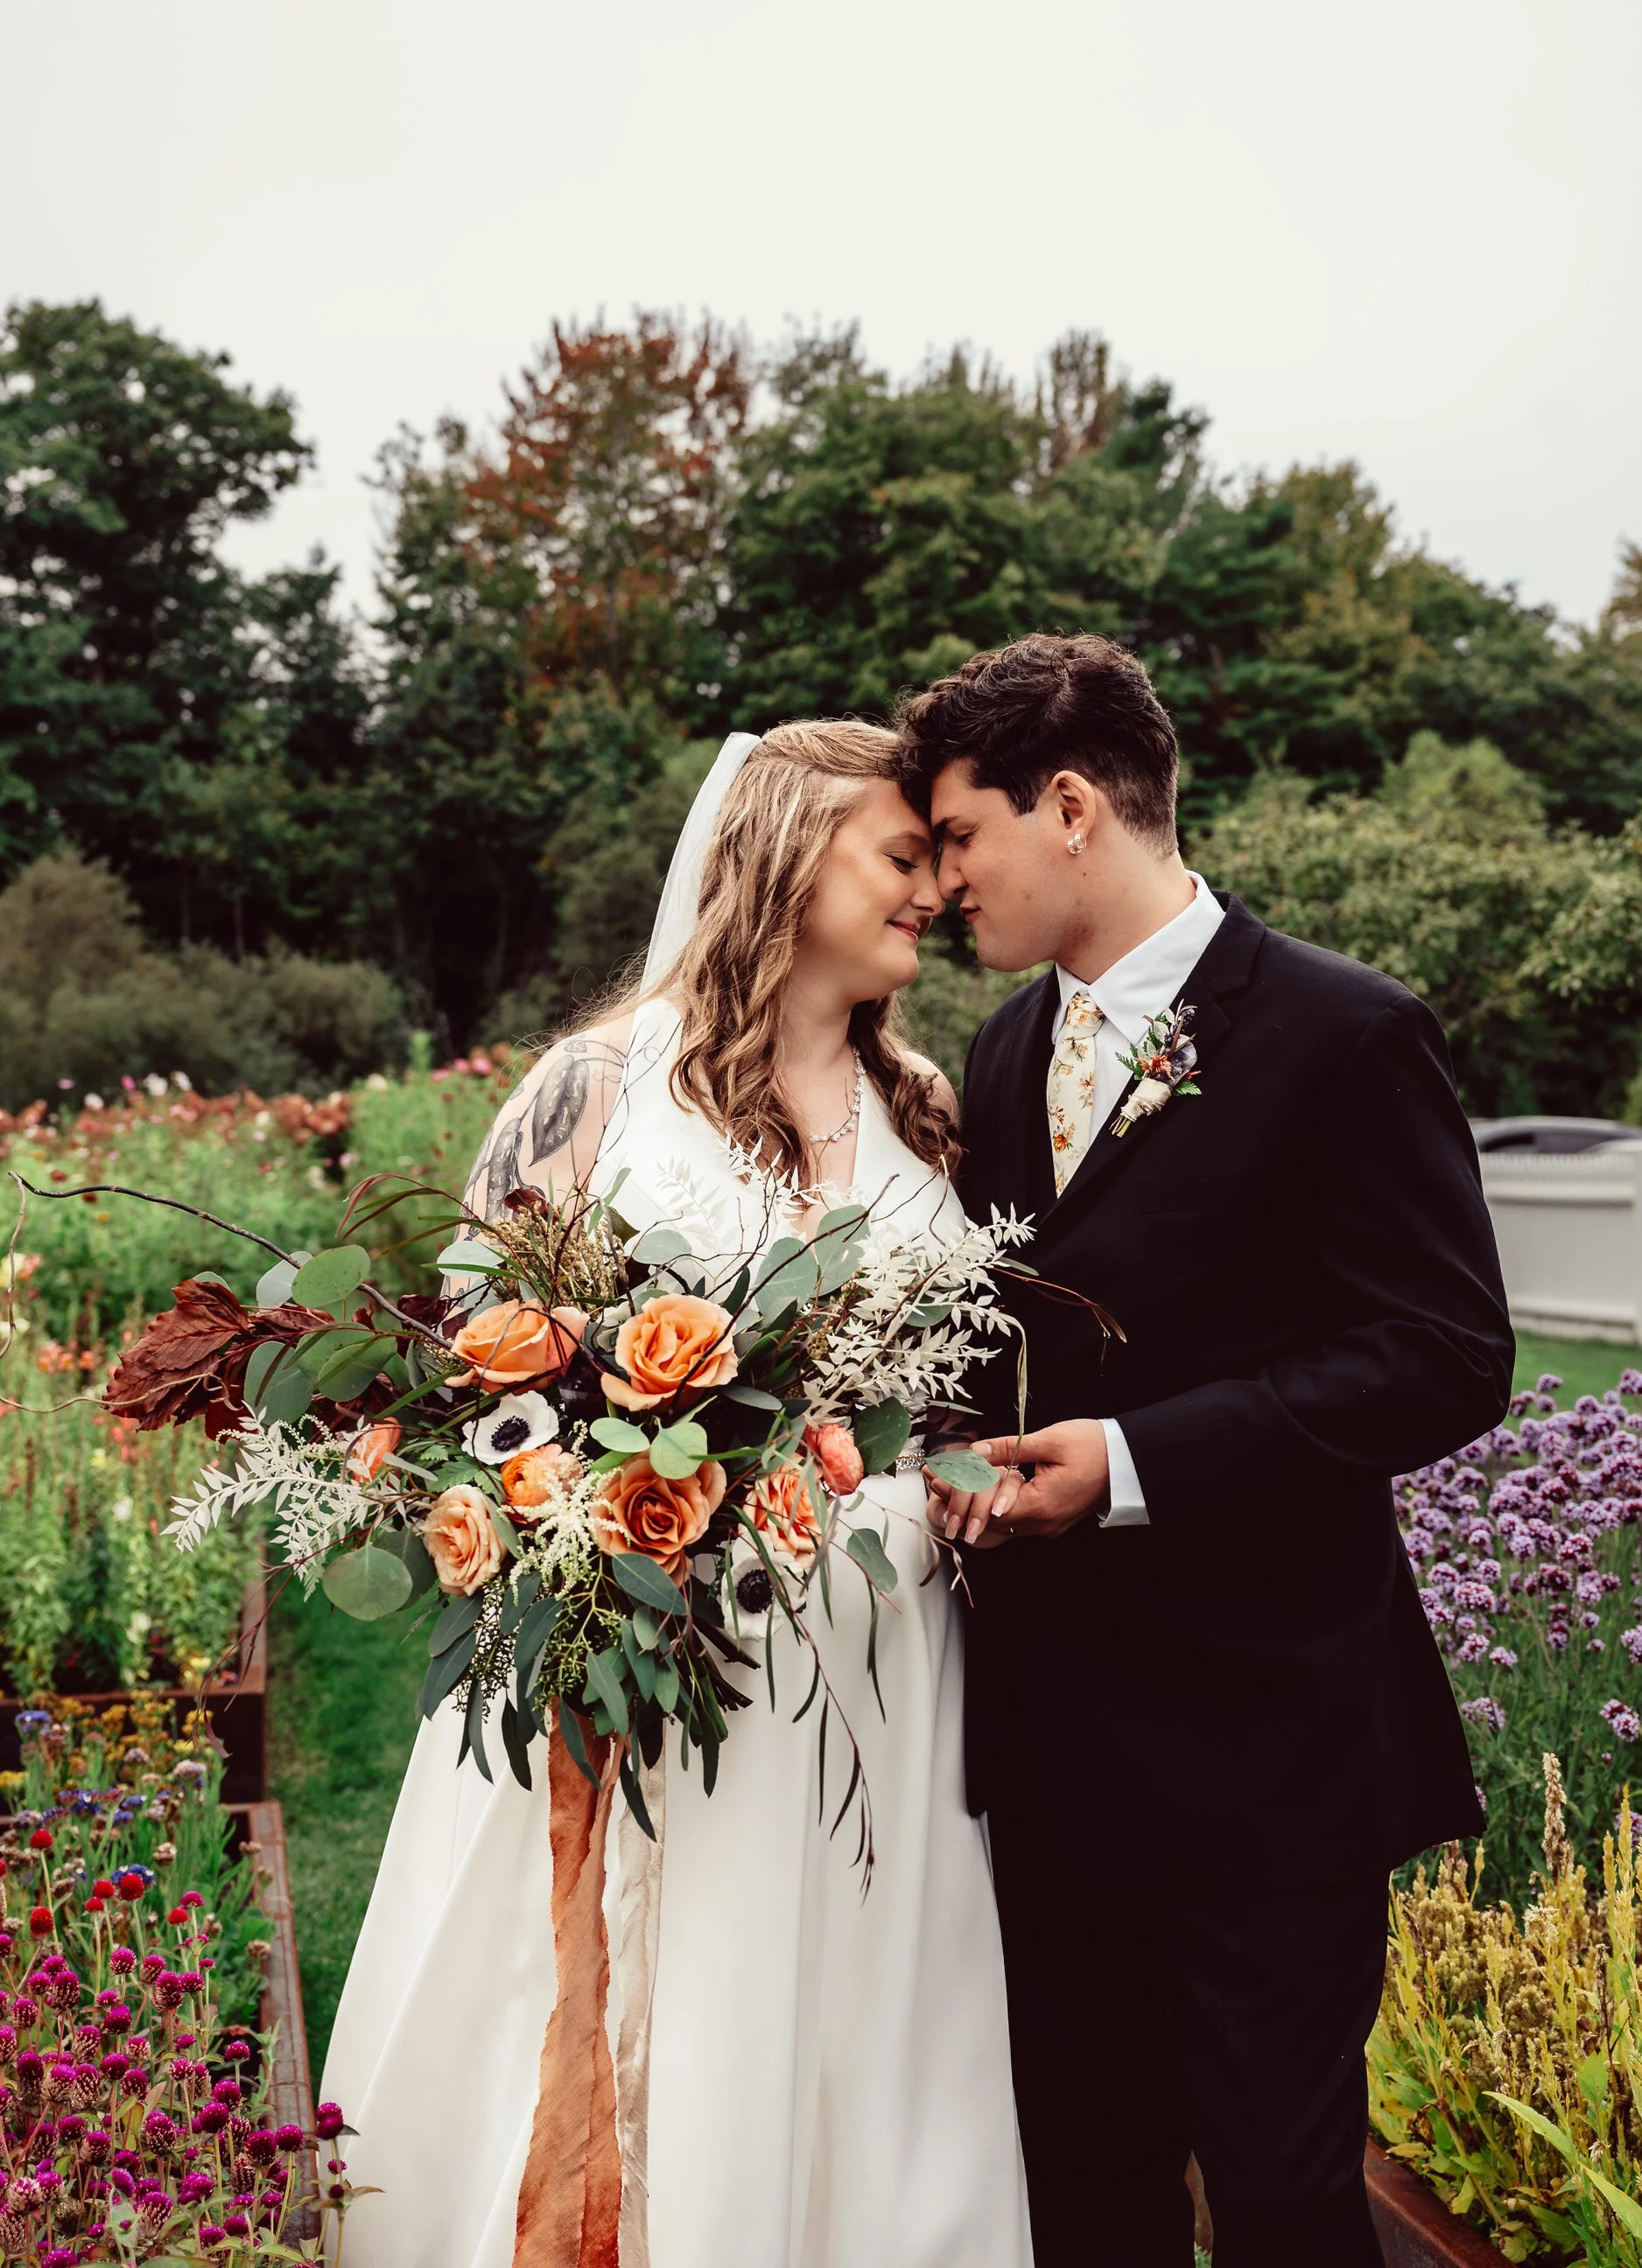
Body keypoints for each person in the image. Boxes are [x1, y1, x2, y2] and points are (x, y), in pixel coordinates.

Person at [321, 721, 1035, 2268]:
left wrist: (934, 1482)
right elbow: (473, 1359)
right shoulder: (595, 1085)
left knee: (861, 2030)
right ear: (785, 856)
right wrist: (582, 1499)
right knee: (647, 1994)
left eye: (933, 858)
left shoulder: (927, 1108)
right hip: (644, 1642)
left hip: (875, 1661)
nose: (932, 890)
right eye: (898, 856)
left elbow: (959, 1390)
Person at [904, 634, 1515, 2268]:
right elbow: (992, 1330)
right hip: (1051, 1756)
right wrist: (947, 1455)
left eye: (962, 836)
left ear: (1073, 806)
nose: (941, 879)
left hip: (1268, 1754)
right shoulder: (1004, 1053)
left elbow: (1445, 1355)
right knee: (1085, 2194)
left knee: (1279, 2202)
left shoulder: (1346, 1032)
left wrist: (1132, 1461)